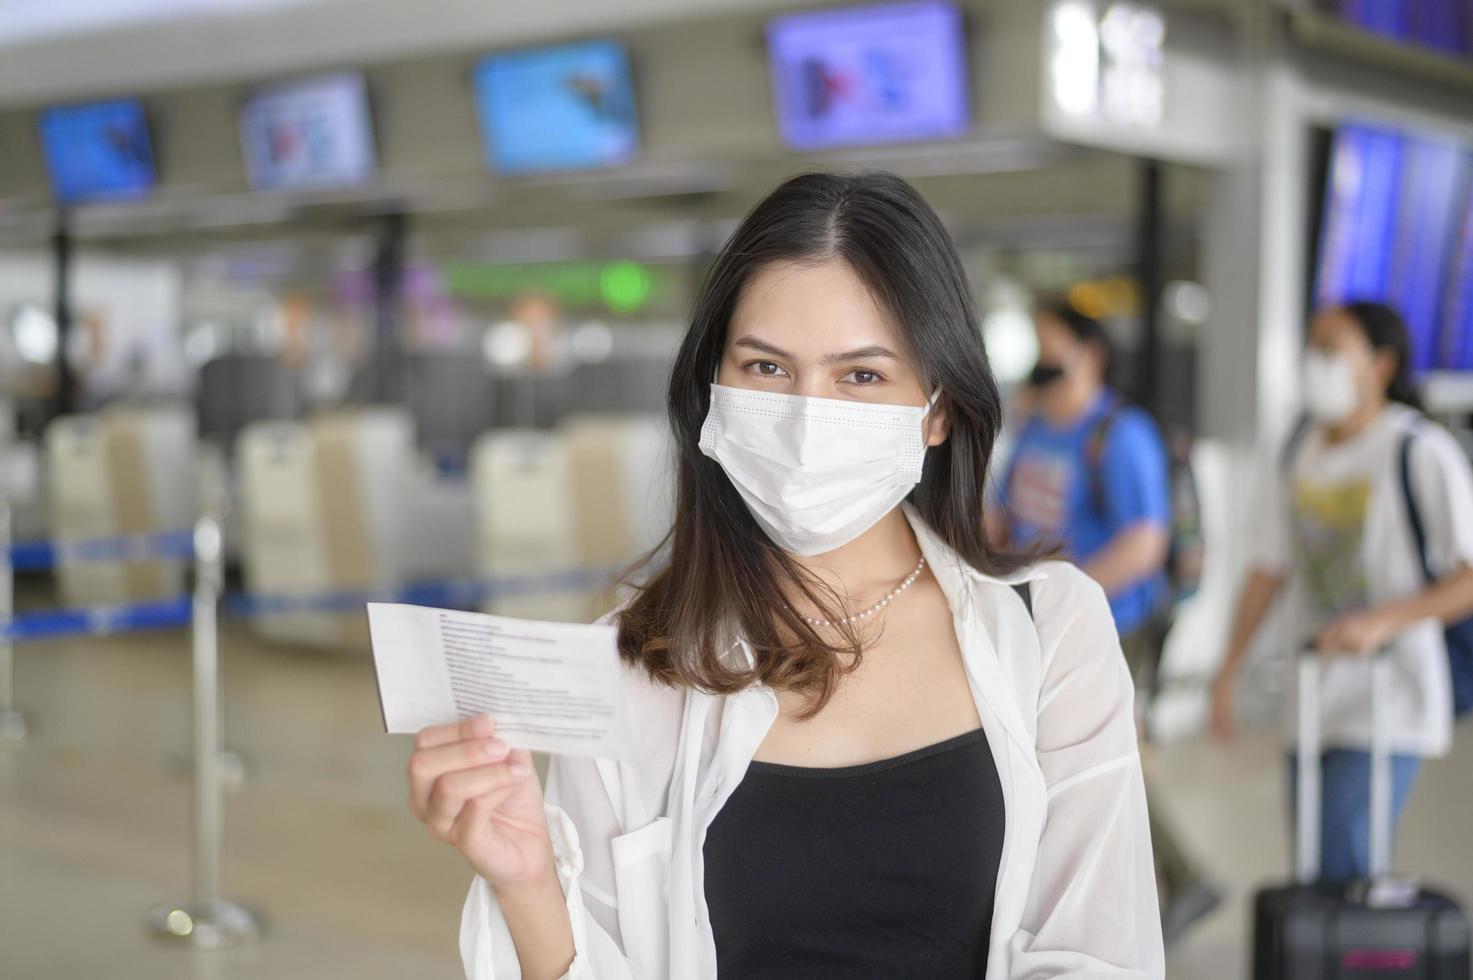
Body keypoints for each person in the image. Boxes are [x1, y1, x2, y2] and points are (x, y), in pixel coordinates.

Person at [407, 172, 1164, 979]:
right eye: (766, 369)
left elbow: (1098, 952)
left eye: (861, 375)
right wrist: (526, 883)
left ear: (938, 409)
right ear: (713, 393)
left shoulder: (1051, 631)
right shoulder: (636, 663)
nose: (807, 417)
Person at [1210, 301, 1473, 884]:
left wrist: (1384, 621)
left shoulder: (1416, 450)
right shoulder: (1297, 450)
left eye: (1332, 349)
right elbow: (1267, 568)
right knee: (1314, 866)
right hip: (1314, 693)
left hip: (1391, 691)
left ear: (1382, 363)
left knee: (1345, 865)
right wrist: (1227, 670)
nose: (1314, 363)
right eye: (1312, 347)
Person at [990, 302, 1222, 943]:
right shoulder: (1036, 430)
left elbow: (1144, 544)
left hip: (1112, 621)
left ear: (1089, 354)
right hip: (1040, 621)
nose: (1040, 360)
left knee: (1098, 753)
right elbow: (1003, 518)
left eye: (1051, 346)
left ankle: (1178, 878)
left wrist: (1068, 600)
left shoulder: (1120, 435)